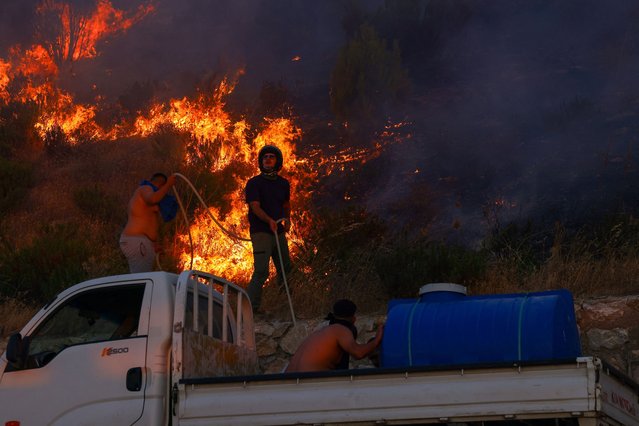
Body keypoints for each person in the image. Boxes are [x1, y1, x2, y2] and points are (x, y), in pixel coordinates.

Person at [245, 145, 292, 312]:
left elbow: (286, 204)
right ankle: (251, 309)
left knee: (286, 270)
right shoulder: (254, 183)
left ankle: (287, 307)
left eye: (271, 157)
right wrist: (269, 220)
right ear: (261, 161)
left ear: (277, 161)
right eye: (265, 157)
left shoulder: (284, 184)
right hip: (261, 232)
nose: (268, 159)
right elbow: (255, 207)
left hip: (278, 232)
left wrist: (287, 219)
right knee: (261, 271)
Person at [285, 299, 384, 372]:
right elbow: (358, 353)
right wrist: (377, 340)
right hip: (308, 383)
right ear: (354, 319)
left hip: (285, 383)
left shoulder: (321, 333)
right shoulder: (340, 330)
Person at [120, 172, 177, 273]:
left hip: (144, 242)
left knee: (145, 277)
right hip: (136, 240)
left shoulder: (150, 194)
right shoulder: (145, 188)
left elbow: (150, 221)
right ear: (160, 184)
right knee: (141, 279)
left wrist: (153, 244)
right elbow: (152, 198)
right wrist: (169, 184)